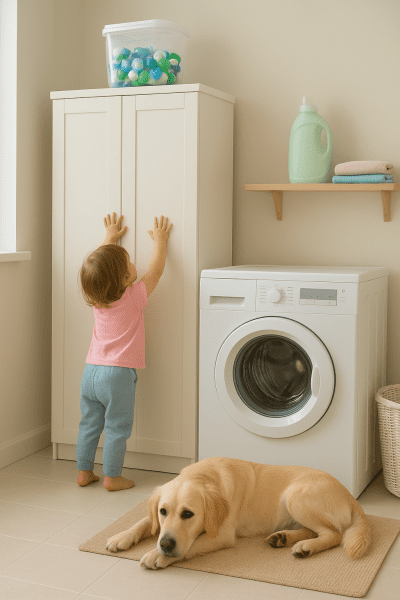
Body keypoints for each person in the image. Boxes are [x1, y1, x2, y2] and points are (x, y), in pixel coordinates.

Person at [76, 212, 173, 491]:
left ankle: (84, 472)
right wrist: (161, 242)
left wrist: (109, 237)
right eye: (129, 263)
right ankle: (112, 477)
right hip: (117, 375)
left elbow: (99, 268)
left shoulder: (96, 298)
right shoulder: (133, 297)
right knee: (117, 427)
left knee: (89, 424)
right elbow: (155, 271)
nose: (134, 264)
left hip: (91, 371)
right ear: (125, 278)